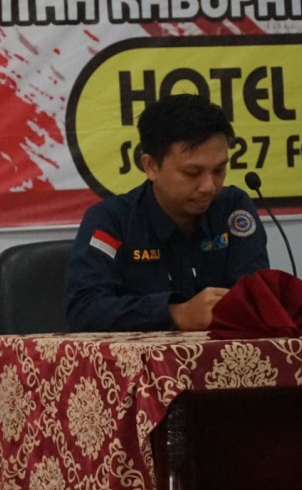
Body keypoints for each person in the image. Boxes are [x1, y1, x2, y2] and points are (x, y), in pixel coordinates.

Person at [64, 94, 270, 332]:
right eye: (192, 173)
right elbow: (83, 310)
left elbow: (258, 302)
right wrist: (175, 313)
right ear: (151, 166)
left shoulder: (233, 208)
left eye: (219, 170)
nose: (209, 187)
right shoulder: (111, 221)